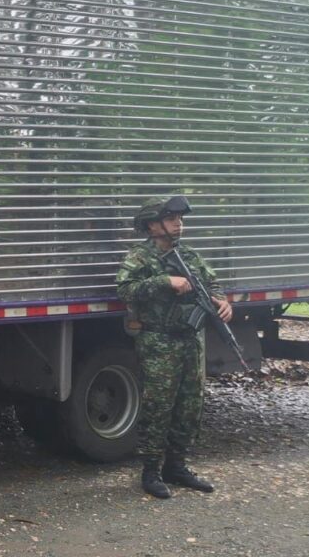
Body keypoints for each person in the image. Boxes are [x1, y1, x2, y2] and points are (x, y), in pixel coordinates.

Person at [116, 194, 229, 499]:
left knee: (190, 405)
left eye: (180, 219)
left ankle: (176, 466)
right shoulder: (140, 257)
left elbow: (213, 283)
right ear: (152, 225)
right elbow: (124, 290)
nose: (178, 224)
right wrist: (165, 281)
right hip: (159, 341)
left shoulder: (189, 255)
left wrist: (222, 301)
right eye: (170, 219)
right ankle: (151, 471)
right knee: (158, 406)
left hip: (191, 339)